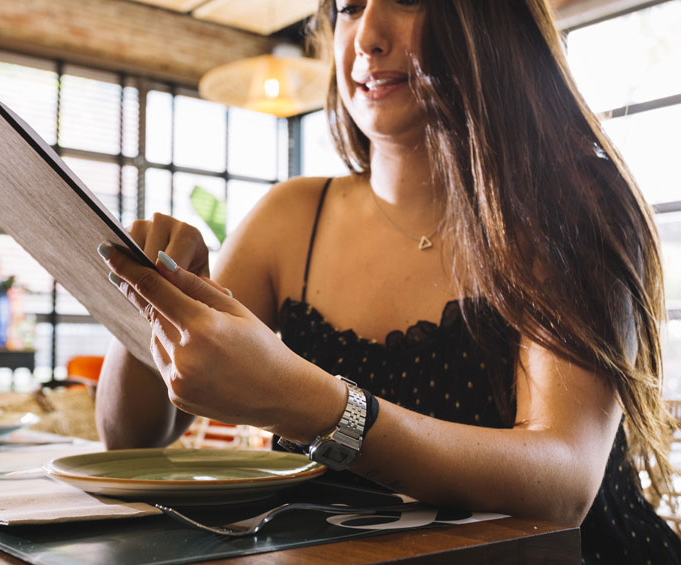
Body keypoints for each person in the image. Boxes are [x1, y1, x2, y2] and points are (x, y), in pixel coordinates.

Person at [95, 0, 681, 562]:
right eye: (348, 6)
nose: (366, 37)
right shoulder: (289, 218)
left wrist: (315, 406)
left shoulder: (573, 204)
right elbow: (130, 439)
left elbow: (565, 485)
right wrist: (154, 295)